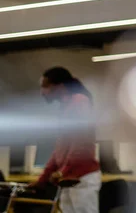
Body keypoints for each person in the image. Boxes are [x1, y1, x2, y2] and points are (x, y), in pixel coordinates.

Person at [32, 67, 101, 213]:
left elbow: (81, 143)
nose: (42, 92)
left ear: (60, 86)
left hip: (81, 178)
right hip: (68, 180)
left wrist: (62, 171)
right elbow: (60, 149)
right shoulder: (65, 107)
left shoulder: (79, 102)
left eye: (45, 86)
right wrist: (42, 179)